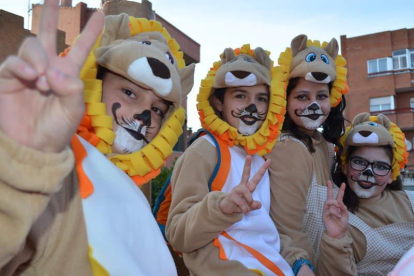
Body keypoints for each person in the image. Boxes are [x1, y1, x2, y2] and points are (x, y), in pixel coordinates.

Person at [0, 0, 195, 274]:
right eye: (129, 93)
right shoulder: (55, 161)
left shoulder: (132, 193)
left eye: (157, 109)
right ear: (93, 84)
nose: (144, 116)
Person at [166, 44, 293, 276]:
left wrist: (300, 263)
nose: (252, 106)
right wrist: (220, 209)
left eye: (261, 98)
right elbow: (177, 234)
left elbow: (268, 232)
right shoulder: (203, 151)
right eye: (240, 95)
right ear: (218, 102)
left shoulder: (260, 156)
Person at [266, 34, 349, 276]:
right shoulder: (287, 147)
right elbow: (287, 229)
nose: (313, 105)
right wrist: (301, 265)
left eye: (321, 96)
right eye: (303, 97)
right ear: (285, 99)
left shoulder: (322, 143)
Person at [319, 112, 412, 276]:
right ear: (346, 166)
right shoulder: (336, 214)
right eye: (360, 162)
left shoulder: (411, 202)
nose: (369, 172)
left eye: (381, 166)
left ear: (392, 174)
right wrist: (336, 239)